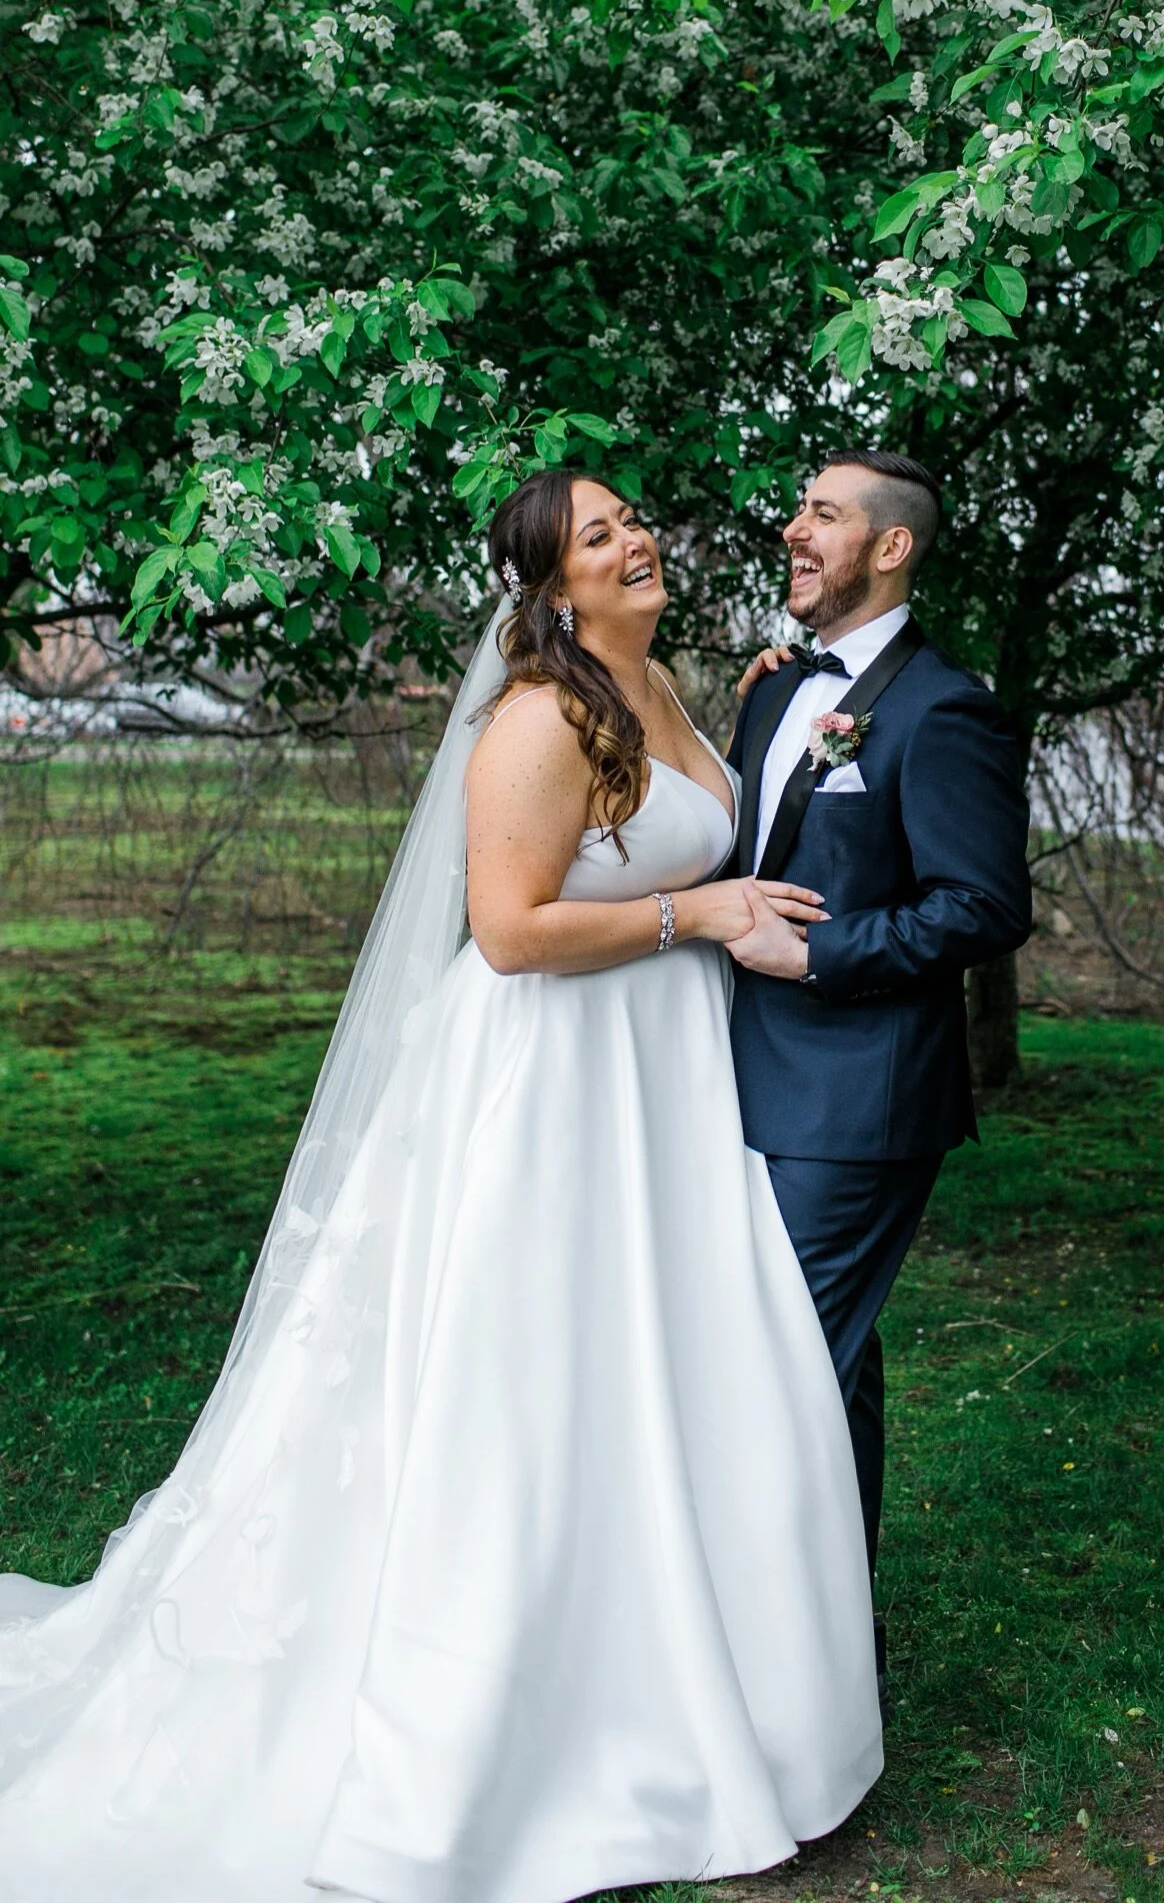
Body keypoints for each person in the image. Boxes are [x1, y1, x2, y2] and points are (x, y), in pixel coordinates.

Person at [0, 470, 882, 1903]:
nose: (635, 540)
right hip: (554, 1080)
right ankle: (498, 1716)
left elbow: (691, 822)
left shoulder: (662, 687)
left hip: (661, 1077)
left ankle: (674, 1662)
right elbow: (510, 929)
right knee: (526, 1384)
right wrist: (697, 910)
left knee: (667, 1366)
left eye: (631, 519)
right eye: (598, 536)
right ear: (552, 588)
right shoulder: (539, 720)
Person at [725, 451, 1033, 1704]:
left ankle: (777, 1667)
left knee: (780, 1359)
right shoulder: (775, 690)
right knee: (827, 1362)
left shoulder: (945, 709)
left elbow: (984, 905)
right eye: (798, 509)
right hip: (736, 1074)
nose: (792, 529)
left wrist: (819, 950)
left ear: (890, 547)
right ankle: (832, 1650)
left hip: (858, 1095)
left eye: (822, 514)